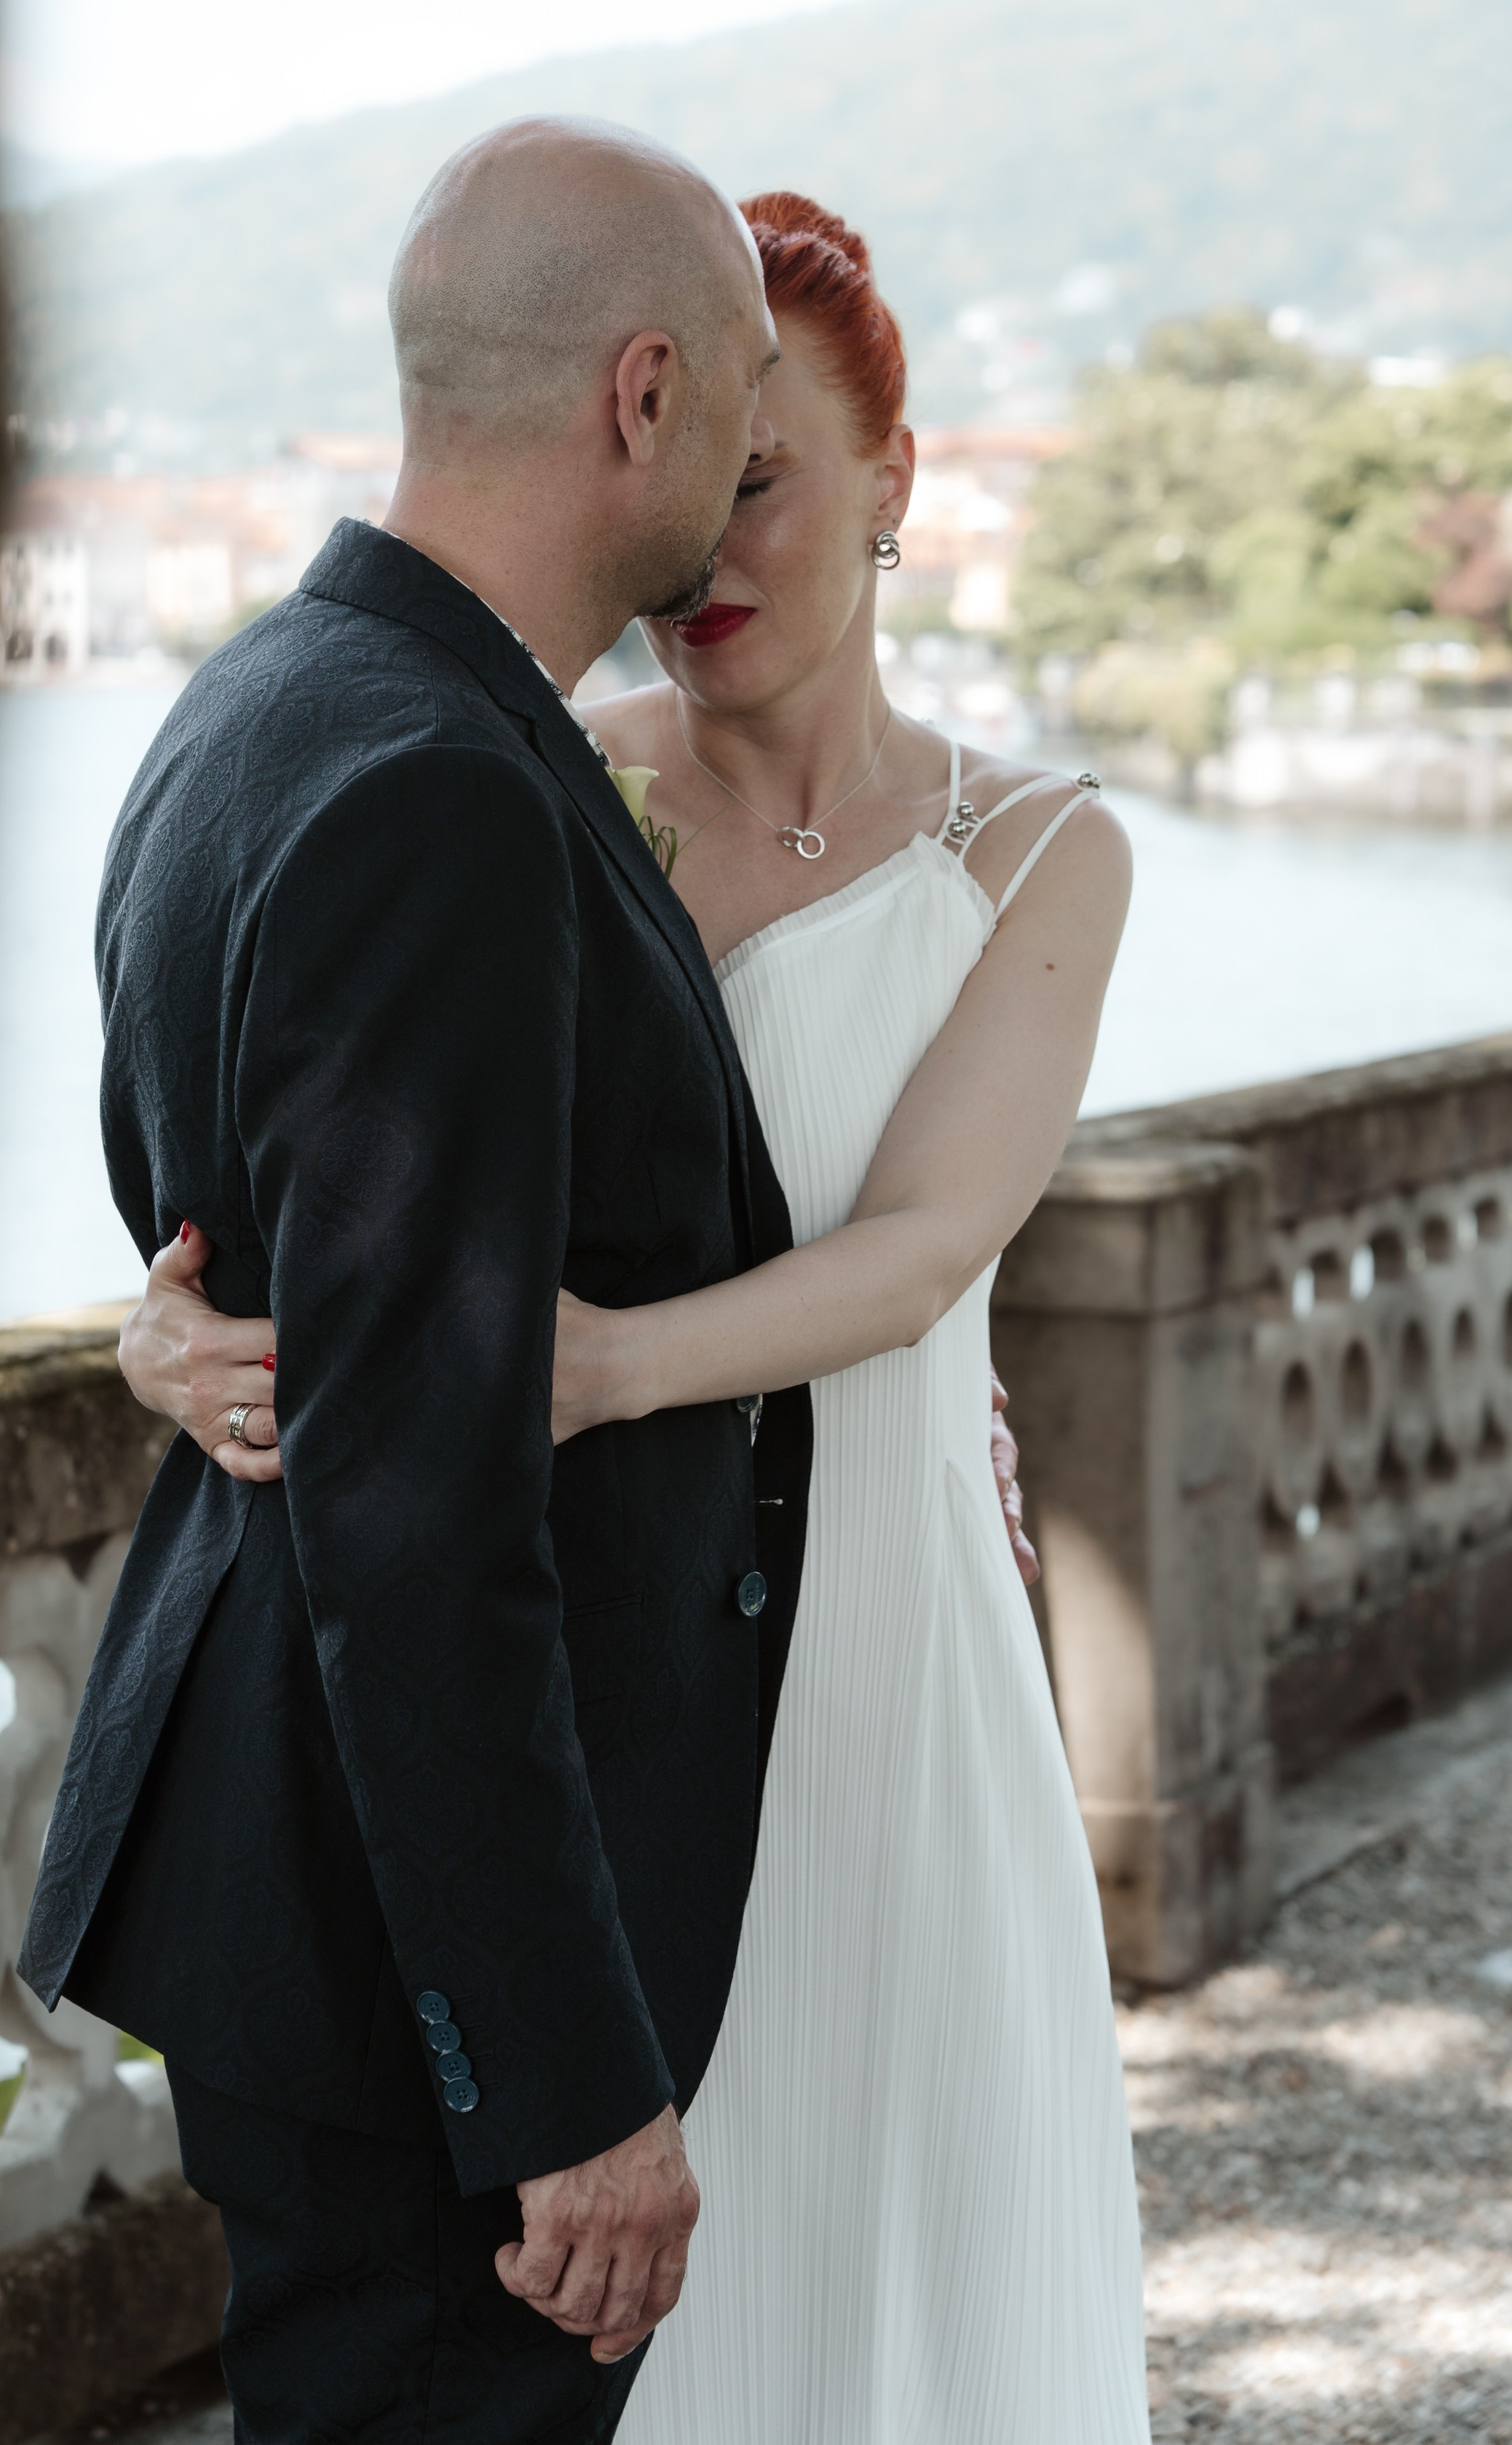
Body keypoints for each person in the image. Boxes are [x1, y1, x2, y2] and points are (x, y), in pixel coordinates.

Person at [129, 192, 1152, 2440]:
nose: (713, 556)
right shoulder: (529, 777)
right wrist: (167, 1321)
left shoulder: (1039, 846)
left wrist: (598, 1368)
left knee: (886, 2231)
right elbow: (323, 1127)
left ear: (895, 482)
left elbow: (925, 1247)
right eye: (706, 479)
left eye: (767, 486)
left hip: (881, 1618)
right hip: (620, 1659)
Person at [18, 119, 816, 2445]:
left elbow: (212, 1227)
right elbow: (419, 1509)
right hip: (407, 1956)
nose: (753, 448)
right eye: (746, 391)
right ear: (644, 392)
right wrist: (559, 2086)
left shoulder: (261, 699)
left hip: (318, 1886)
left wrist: (166, 1330)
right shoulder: (444, 788)